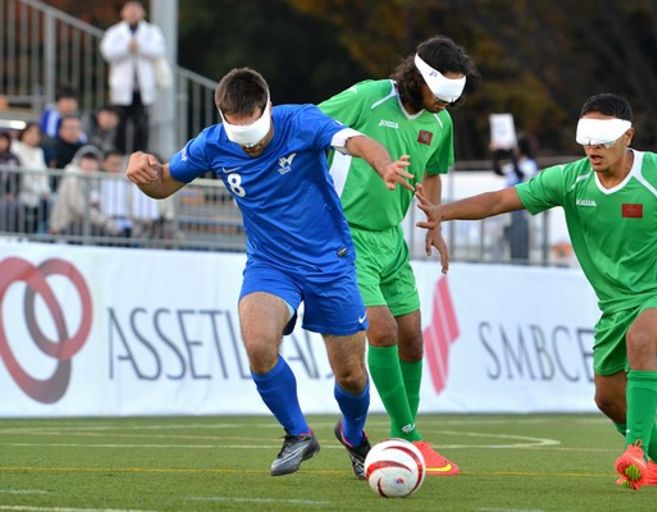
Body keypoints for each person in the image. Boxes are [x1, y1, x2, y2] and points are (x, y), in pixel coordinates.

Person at [415, 93, 657, 489]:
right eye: (586, 136)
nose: (592, 146)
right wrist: (442, 213)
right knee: (608, 399)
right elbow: (501, 199)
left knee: (641, 338)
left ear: (628, 136)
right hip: (615, 306)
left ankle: (636, 449)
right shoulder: (570, 180)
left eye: (603, 137)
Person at [125, 67, 414, 479]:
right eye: (238, 133)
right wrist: (140, 169)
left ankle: (352, 435)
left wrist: (384, 165)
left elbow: (356, 141)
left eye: (256, 130)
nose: (251, 142)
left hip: (330, 262)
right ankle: (298, 433)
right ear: (223, 116)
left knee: (351, 375)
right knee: (259, 344)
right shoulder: (211, 143)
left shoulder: (301, 121)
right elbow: (162, 183)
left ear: (268, 107)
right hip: (270, 264)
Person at [318, 35, 476, 477]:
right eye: (441, 93)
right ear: (417, 77)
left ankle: (398, 434)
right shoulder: (368, 97)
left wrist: (436, 222)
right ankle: (408, 437)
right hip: (345, 237)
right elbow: (308, 126)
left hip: (392, 242)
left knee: (412, 338)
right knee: (382, 331)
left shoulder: (440, 124)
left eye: (454, 96)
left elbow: (432, 173)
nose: (446, 104)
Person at [100, 1, 166, 153]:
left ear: (142, 13)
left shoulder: (151, 31)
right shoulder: (115, 32)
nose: (133, 13)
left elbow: (159, 50)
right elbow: (107, 52)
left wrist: (140, 47)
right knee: (120, 125)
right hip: (122, 87)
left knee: (142, 125)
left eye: (136, 10)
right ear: (123, 13)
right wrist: (127, 48)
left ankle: (140, 155)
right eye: (129, 10)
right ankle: (118, 155)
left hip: (142, 88)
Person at [49, 145, 118, 238]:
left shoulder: (94, 178)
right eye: (86, 159)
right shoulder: (72, 176)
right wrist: (104, 221)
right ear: (79, 160)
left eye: (93, 160)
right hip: (66, 226)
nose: (89, 163)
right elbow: (78, 207)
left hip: (83, 225)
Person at [491, 137, 538, 261]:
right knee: (501, 241)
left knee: (519, 244)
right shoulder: (515, 164)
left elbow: (521, 175)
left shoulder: (529, 164)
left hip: (521, 211)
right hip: (507, 209)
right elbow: (499, 171)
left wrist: (512, 157)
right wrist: (495, 153)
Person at [12, 122, 51, 233]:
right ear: (23, 133)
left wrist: (45, 190)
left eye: (36, 133)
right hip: (20, 194)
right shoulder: (16, 148)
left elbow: (43, 174)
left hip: (38, 197)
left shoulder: (39, 152)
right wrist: (38, 190)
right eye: (30, 132)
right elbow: (22, 173)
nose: (33, 136)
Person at [0, 131, 22, 232]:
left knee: (12, 207)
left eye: (3, 140)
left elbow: (18, 178)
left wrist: (12, 193)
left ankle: (8, 234)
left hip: (8, 194)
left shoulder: (14, 158)